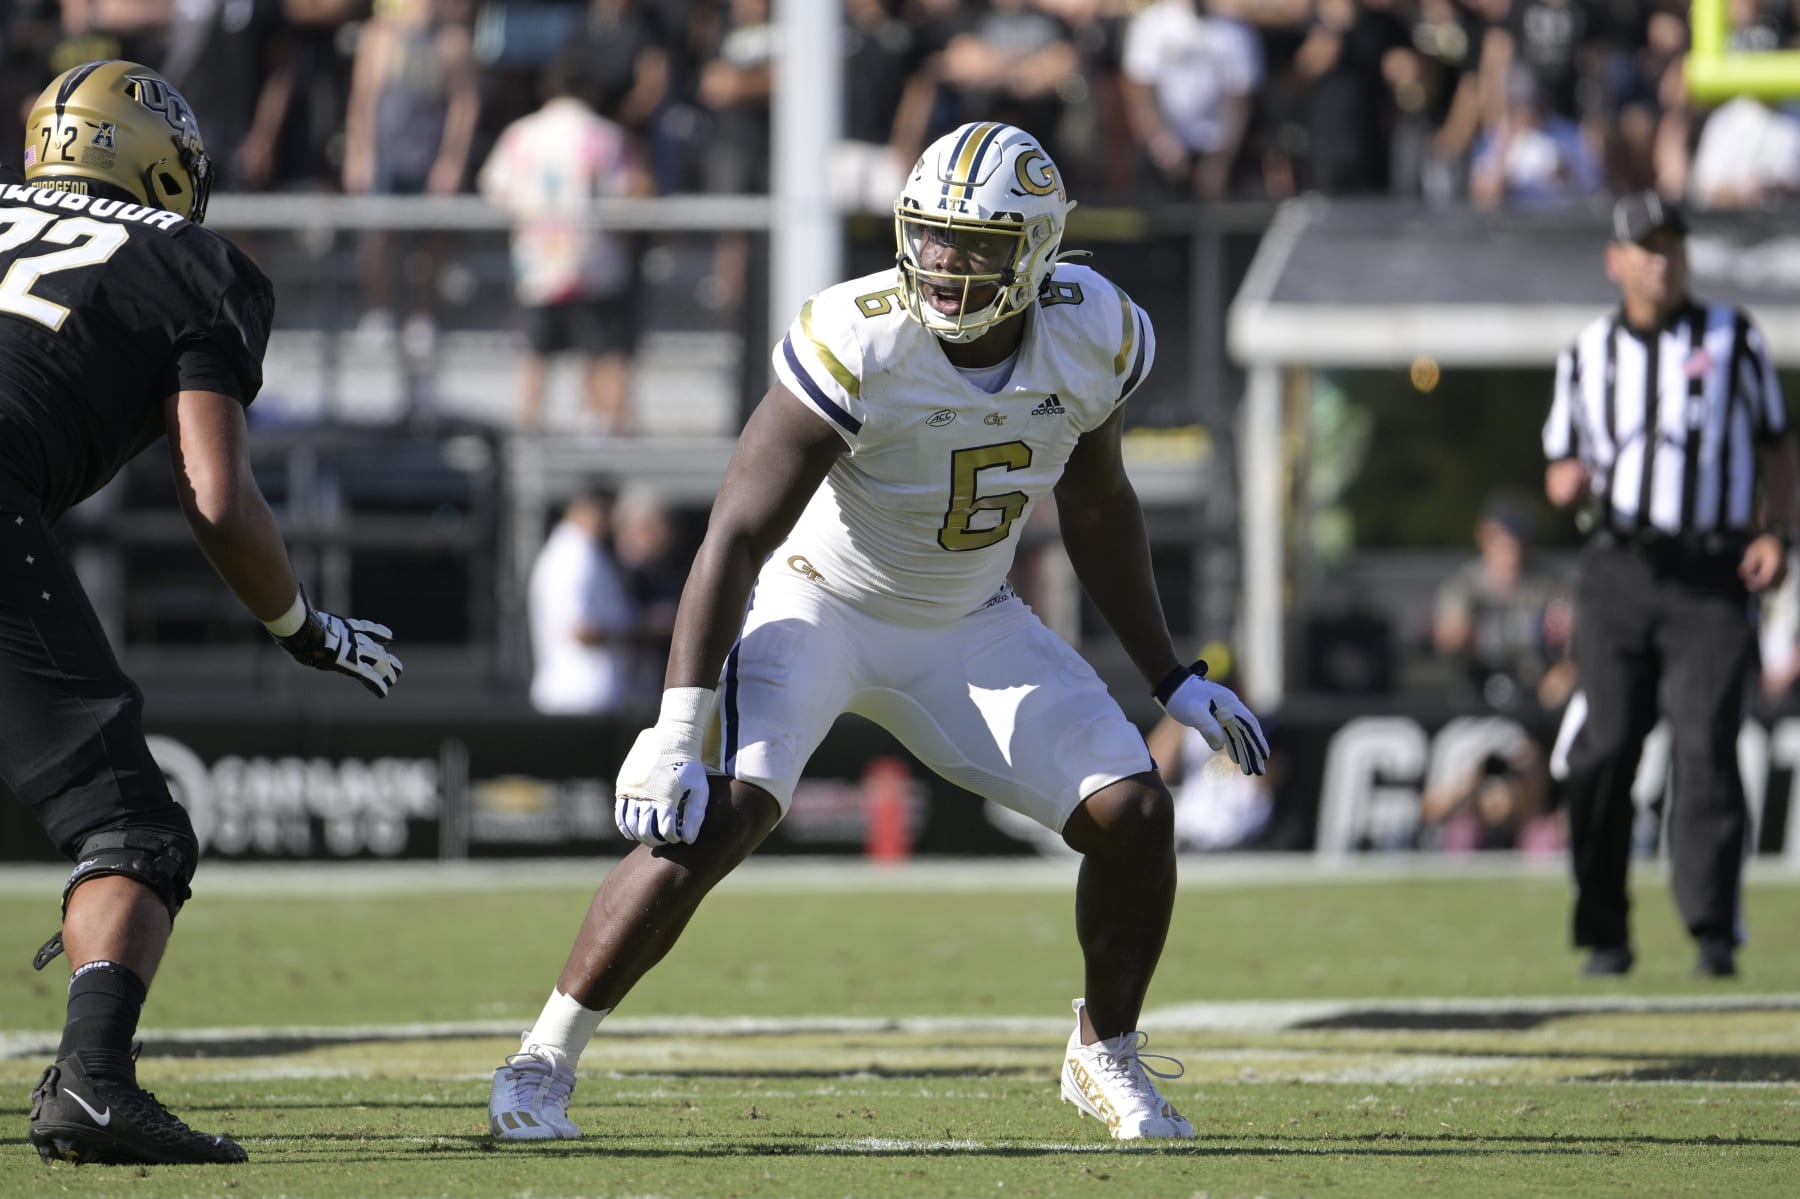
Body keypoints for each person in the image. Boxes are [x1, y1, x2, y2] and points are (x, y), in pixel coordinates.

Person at [485, 121, 1267, 1145]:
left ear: (1036, 251)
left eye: (975, 244)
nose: (943, 264)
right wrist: (679, 726)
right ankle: (542, 1055)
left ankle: (1104, 1049)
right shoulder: (861, 335)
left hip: (970, 621)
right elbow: (737, 530)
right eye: (930, 236)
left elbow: (1099, 503)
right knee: (719, 809)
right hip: (821, 601)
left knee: (1136, 813)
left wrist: (1169, 675)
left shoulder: (1092, 331)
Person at [9, 60, 402, 1165]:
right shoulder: (192, 261)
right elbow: (218, 495)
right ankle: (91, 1085)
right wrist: (301, 626)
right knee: (133, 826)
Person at [1541, 191, 1797, 980]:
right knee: (1606, 748)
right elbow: (1558, 469)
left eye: (1673, 245)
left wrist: (1777, 532)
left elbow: (1779, 446)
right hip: (1619, 568)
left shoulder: (1733, 338)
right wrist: (1572, 483)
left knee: (1707, 745)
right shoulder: (1587, 351)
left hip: (1712, 571)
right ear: (1616, 260)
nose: (1663, 259)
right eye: (1647, 247)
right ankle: (1604, 928)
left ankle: (1714, 931)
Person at [478, 55, 648, 433]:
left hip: (538, 265)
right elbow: (628, 196)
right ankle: (612, 450)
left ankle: (526, 445)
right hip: (597, 263)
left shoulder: (522, 134)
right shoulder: (607, 135)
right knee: (606, 360)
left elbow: (495, 188)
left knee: (535, 359)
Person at [527, 490, 636, 715]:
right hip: (582, 698)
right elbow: (580, 630)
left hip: (578, 695)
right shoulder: (576, 555)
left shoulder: (575, 551)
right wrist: (641, 629)